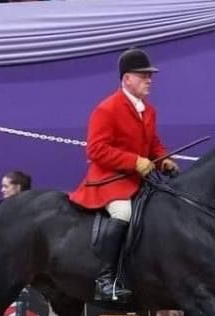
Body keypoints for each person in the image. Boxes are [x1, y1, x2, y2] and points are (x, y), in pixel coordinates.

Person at [68, 48, 179, 301]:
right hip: (109, 181)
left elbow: (153, 145)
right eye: (143, 76)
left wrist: (164, 160)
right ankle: (104, 280)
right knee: (123, 213)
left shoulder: (148, 111)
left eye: (150, 76)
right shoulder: (107, 109)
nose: (149, 80)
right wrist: (134, 161)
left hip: (138, 180)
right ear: (127, 78)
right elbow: (96, 150)